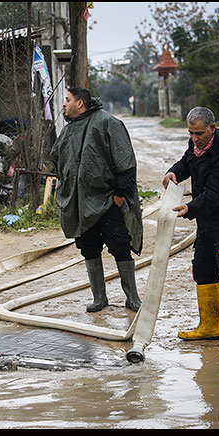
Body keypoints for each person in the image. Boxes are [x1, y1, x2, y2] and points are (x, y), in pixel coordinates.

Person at [162, 106, 219, 349]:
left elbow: (215, 195)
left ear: (212, 129)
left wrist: (189, 208)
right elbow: (186, 163)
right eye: (190, 133)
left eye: (198, 134)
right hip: (207, 224)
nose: (194, 139)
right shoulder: (197, 145)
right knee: (203, 272)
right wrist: (173, 172)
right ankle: (210, 327)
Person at [50, 87, 143, 312]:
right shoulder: (69, 129)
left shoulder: (107, 122)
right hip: (80, 203)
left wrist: (119, 196)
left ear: (80, 103)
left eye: (68, 100)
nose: (64, 104)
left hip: (108, 201)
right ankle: (99, 298)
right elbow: (58, 160)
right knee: (88, 248)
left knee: (120, 246)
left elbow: (126, 163)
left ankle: (132, 299)